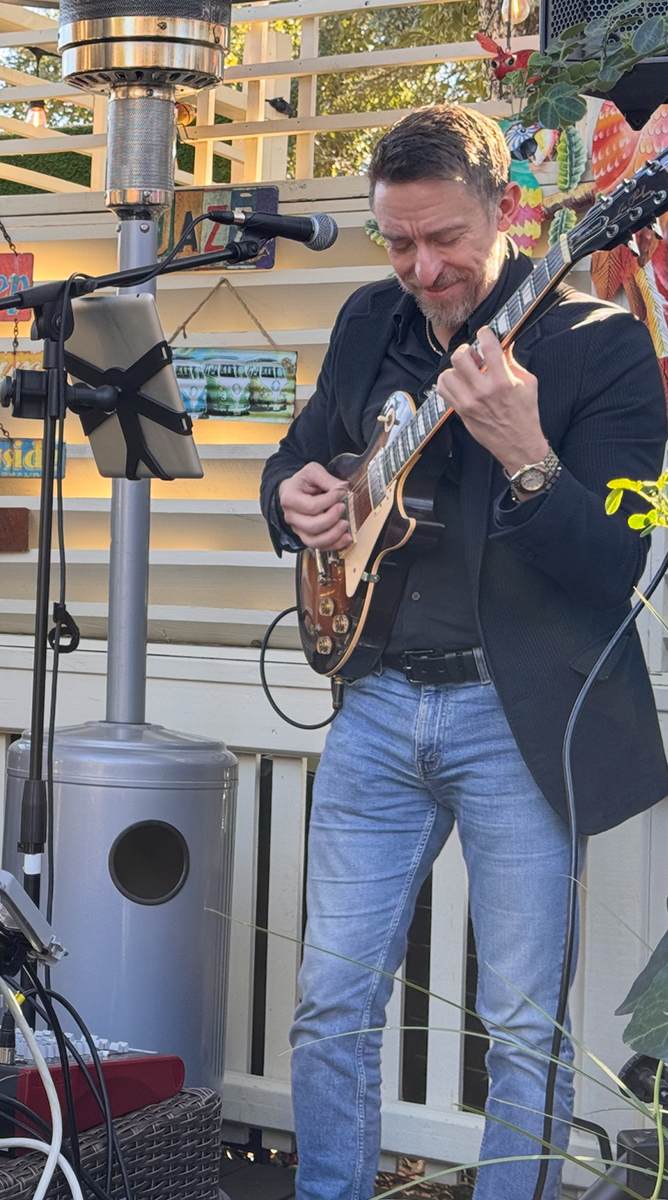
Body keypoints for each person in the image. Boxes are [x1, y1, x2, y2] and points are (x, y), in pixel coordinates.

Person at [260, 105, 668, 1200]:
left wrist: (528, 456)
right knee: (332, 1001)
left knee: (526, 1024)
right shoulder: (365, 325)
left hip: (517, 717)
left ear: (509, 209)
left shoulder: (604, 349)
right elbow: (304, 460)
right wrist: (293, 500)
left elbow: (613, 570)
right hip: (378, 704)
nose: (424, 268)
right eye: (400, 244)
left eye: (445, 239)